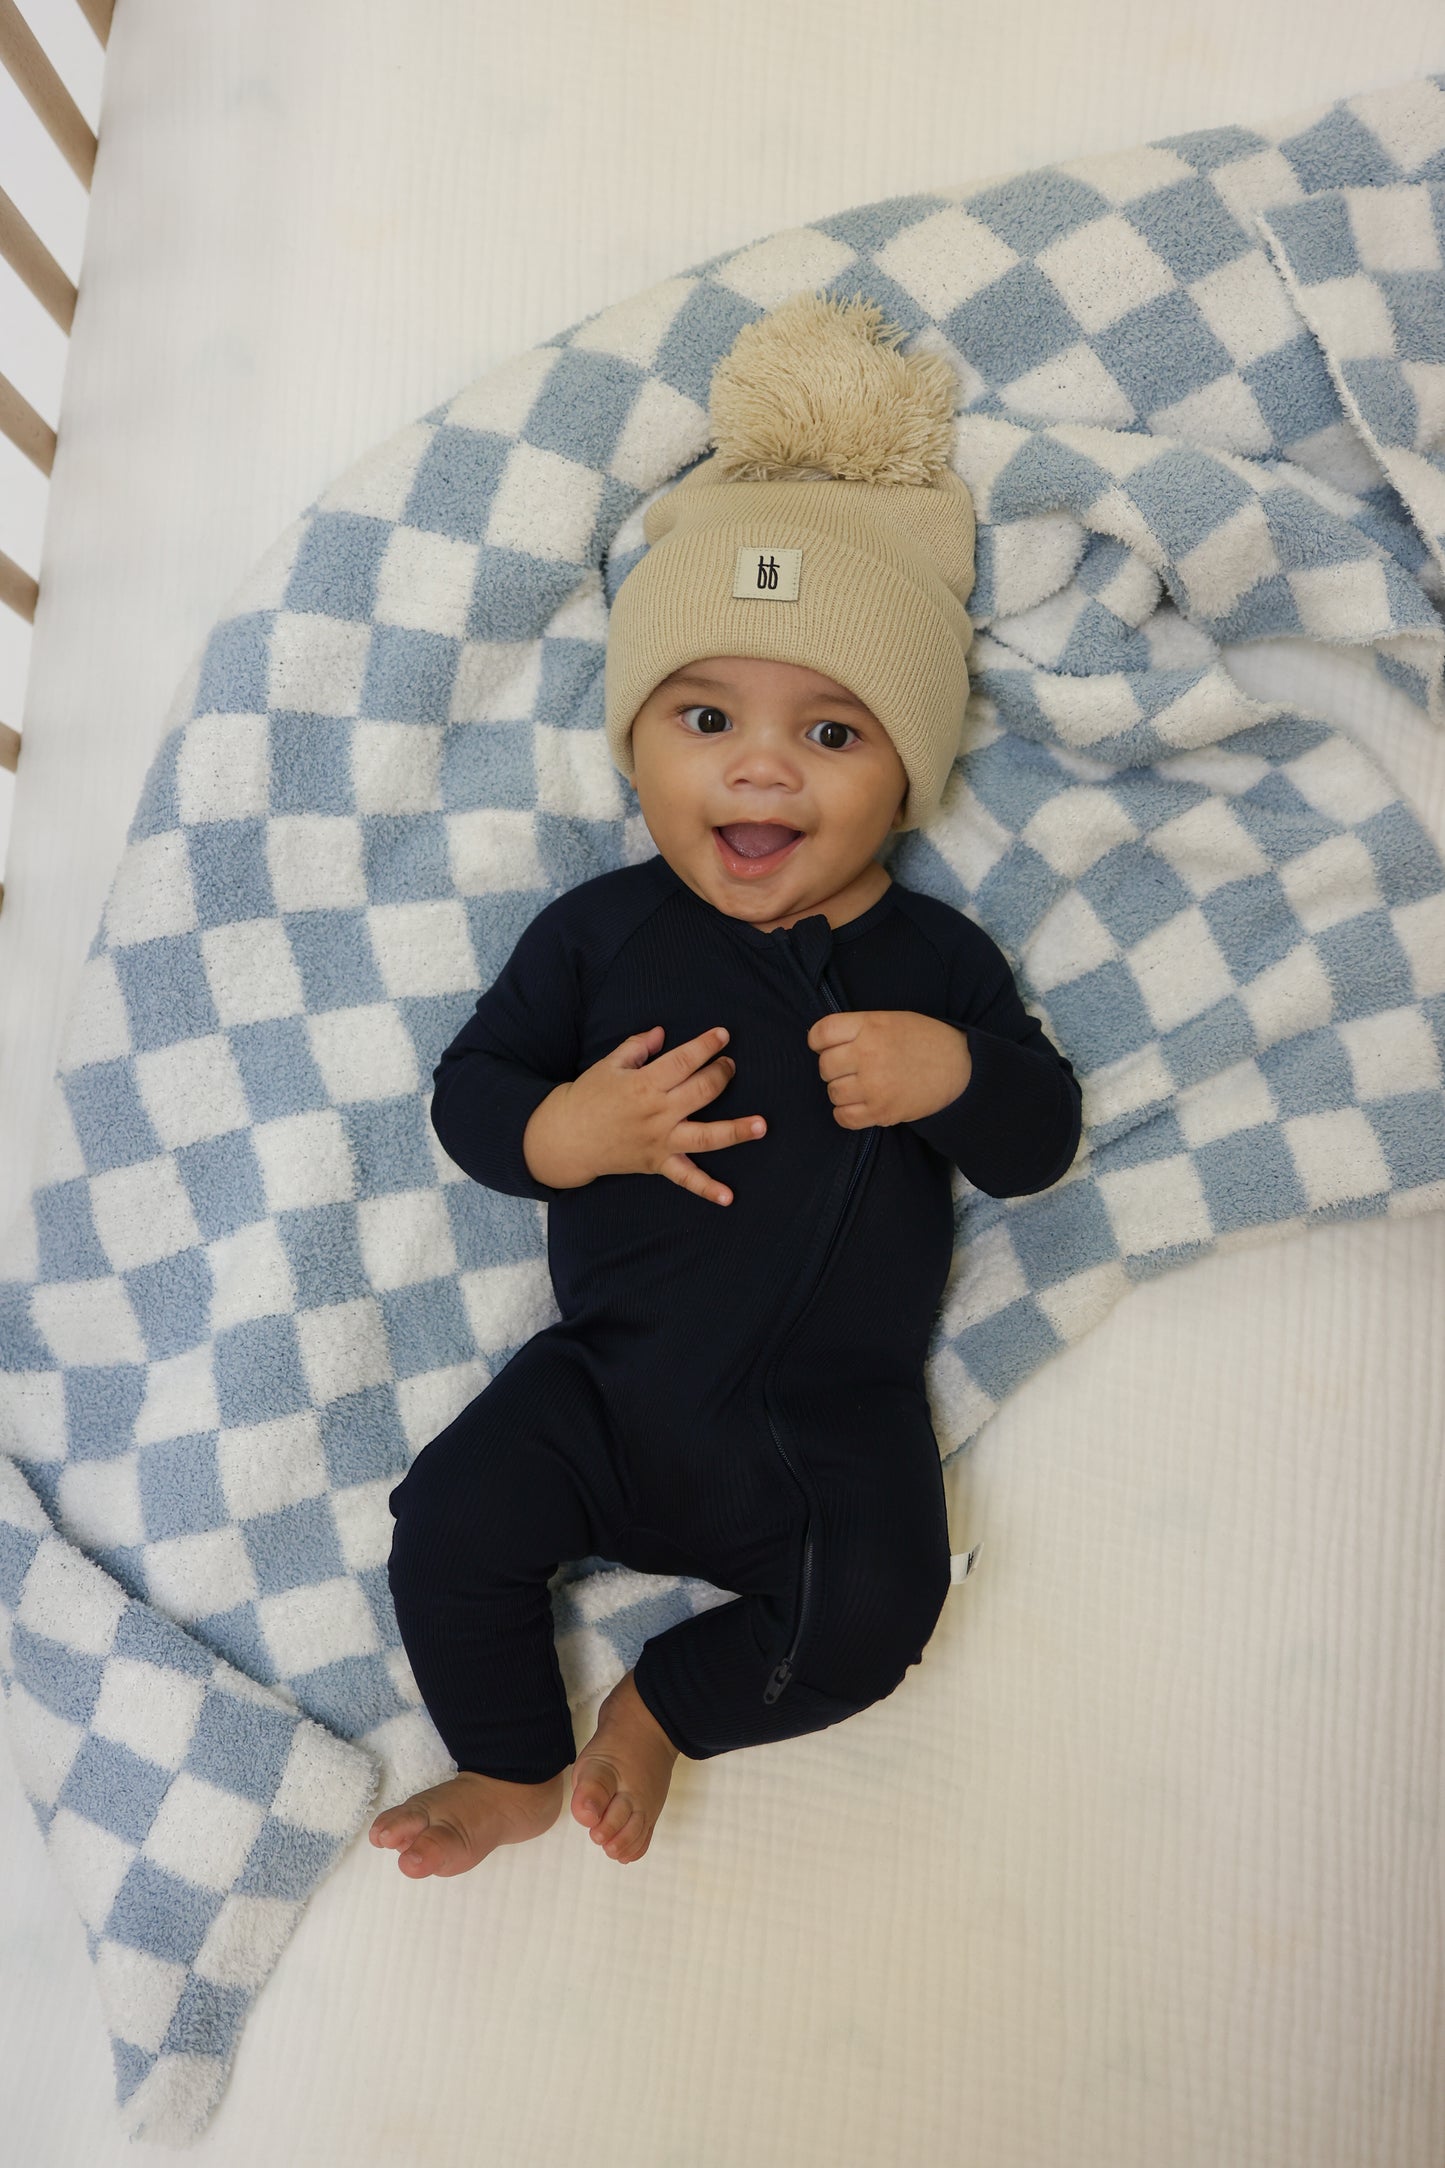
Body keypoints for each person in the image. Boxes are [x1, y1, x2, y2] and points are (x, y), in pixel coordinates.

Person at [369, 289, 1082, 1875]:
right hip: (605, 1387)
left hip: (829, 1432)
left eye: (831, 732)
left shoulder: (938, 959)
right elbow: (472, 1095)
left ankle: (666, 1706)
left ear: (905, 774)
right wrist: (565, 1131)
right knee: (448, 1525)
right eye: (706, 719)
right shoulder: (601, 934)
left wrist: (954, 1069)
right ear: (637, 756)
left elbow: (1035, 1142)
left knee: (873, 1622)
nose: (761, 768)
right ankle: (504, 1765)